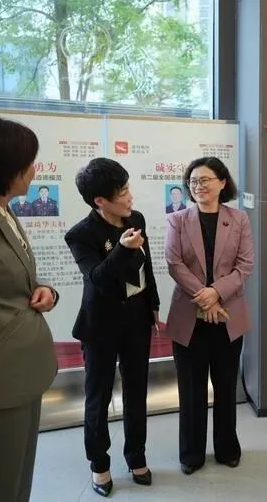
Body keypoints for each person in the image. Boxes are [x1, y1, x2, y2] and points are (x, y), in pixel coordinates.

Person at [0, 116, 59, 502]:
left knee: (16, 482)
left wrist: (44, 289)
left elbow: (7, 277)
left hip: (20, 377)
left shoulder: (1, 211)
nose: (35, 169)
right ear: (6, 167)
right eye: (29, 162)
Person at [64, 158, 160, 497]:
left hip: (136, 320)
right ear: (100, 201)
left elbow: (145, 267)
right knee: (98, 397)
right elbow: (97, 279)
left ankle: (136, 456)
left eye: (128, 188)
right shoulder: (80, 234)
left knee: (137, 392)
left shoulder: (137, 219)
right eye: (122, 193)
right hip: (101, 325)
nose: (130, 197)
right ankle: (99, 464)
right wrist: (121, 249)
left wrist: (153, 305)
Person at [165, 157, 253, 475]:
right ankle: (191, 453)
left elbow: (245, 264)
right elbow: (174, 264)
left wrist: (216, 293)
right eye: (193, 181)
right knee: (191, 390)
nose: (198, 186)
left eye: (204, 180)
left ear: (222, 183)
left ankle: (227, 448)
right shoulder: (177, 220)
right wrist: (204, 296)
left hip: (228, 315)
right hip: (189, 317)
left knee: (226, 386)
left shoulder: (239, 219)